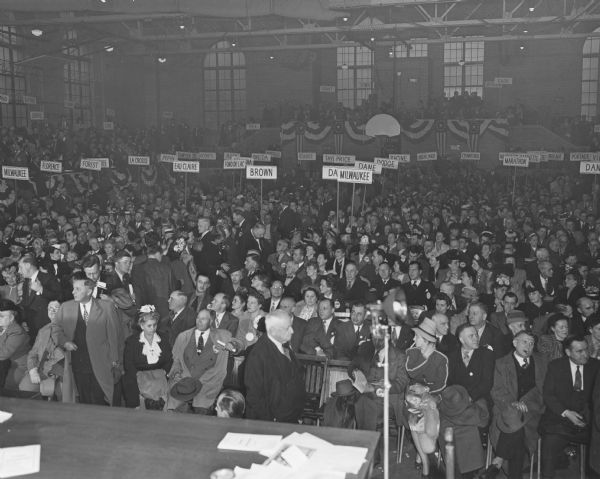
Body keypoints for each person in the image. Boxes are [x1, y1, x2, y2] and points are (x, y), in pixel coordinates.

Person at [486, 331, 547, 479]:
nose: (529, 346)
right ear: (515, 343)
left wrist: (526, 402)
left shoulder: (541, 362)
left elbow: (544, 390)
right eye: (524, 342)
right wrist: (513, 403)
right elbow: (497, 390)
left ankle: (498, 459)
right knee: (517, 426)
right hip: (506, 409)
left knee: (517, 426)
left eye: (532, 343)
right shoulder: (501, 363)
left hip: (532, 411)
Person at [53, 276, 124, 406]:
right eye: (73, 288)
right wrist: (64, 342)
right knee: (84, 401)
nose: (73, 292)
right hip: (77, 364)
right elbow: (56, 329)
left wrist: (115, 362)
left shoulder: (107, 307)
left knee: (101, 400)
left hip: (102, 364)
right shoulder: (65, 307)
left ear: (89, 291)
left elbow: (115, 337)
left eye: (78, 289)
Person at [539, 335, 599, 479]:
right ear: (568, 352)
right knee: (549, 445)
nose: (585, 354)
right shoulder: (555, 366)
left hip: (589, 422)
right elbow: (548, 395)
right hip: (561, 420)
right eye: (579, 351)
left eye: (586, 350)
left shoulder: (596, 366)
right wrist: (566, 413)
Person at [244, 309, 306, 423]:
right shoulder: (258, 354)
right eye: (288, 328)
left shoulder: (284, 347)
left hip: (289, 417)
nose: (292, 331)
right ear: (273, 330)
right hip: (271, 422)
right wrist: (272, 419)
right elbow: (254, 395)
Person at [406, 317, 448, 478]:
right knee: (415, 404)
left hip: (434, 395)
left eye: (416, 337)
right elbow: (411, 372)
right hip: (413, 394)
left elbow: (442, 384)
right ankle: (424, 458)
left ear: (426, 341)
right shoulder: (412, 352)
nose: (413, 339)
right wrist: (425, 357)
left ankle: (426, 448)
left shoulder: (441, 358)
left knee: (424, 405)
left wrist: (427, 389)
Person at [166, 309, 231, 414]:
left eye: (203, 319)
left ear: (210, 321)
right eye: (198, 318)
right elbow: (175, 360)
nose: (199, 321)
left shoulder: (223, 336)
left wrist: (234, 346)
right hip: (184, 381)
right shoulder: (183, 336)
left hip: (208, 382)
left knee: (202, 412)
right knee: (174, 409)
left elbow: (237, 344)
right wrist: (176, 372)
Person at [122, 306, 173, 409]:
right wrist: (141, 377)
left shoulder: (163, 338)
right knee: (129, 383)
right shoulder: (132, 341)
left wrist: (163, 373)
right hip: (138, 379)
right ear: (141, 326)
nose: (153, 329)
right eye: (149, 326)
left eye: (155, 325)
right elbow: (129, 366)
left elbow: (168, 360)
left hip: (160, 379)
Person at [18, 301, 66, 399]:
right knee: (25, 387)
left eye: (56, 308)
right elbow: (33, 353)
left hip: (61, 371)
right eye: (49, 308)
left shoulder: (70, 328)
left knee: (63, 394)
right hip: (40, 369)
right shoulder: (43, 330)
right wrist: (32, 370)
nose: (52, 311)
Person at [18, 254, 62, 343]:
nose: (19, 271)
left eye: (20, 267)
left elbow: (59, 296)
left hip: (45, 325)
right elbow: (26, 303)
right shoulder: (27, 282)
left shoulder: (48, 277)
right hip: (31, 325)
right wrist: (23, 320)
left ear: (28, 265)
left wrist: (41, 289)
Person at [448, 323, 495, 404]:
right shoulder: (451, 356)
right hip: (456, 399)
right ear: (461, 339)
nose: (476, 338)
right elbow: (449, 382)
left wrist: (470, 398)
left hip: (478, 399)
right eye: (471, 336)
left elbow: (486, 383)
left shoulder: (486, 354)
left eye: (476, 335)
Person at [0, 299, 30, 389]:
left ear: (12, 318)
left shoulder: (17, 331)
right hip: (5, 365)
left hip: (18, 367)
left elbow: (3, 354)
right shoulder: (2, 328)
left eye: (1, 316)